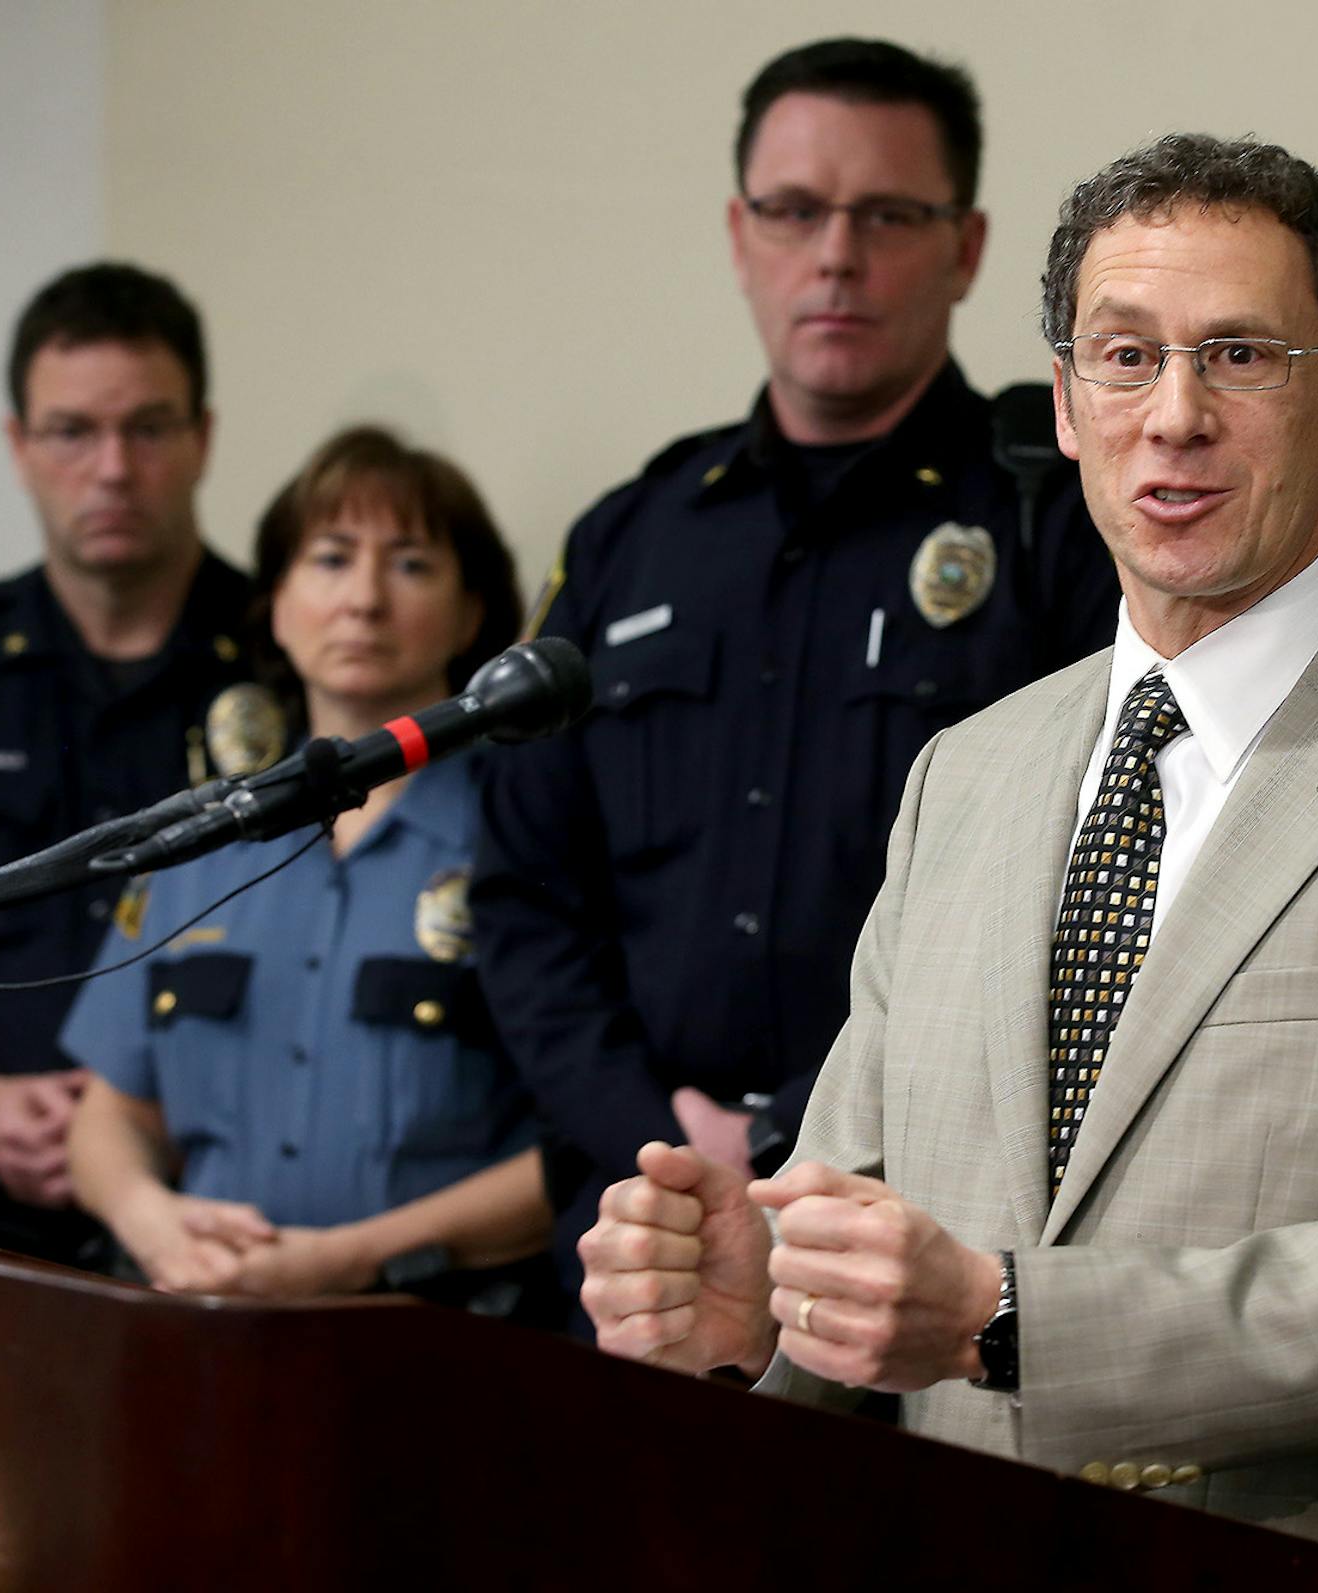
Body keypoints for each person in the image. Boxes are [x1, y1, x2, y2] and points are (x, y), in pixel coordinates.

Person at [579, 133, 1318, 1583]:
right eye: (1125, 356)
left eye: (1238, 355)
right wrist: (756, 1315)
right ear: (1065, 399)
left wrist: (1011, 1318)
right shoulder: (964, 776)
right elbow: (853, 1221)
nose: (1174, 417)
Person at [473, 37, 1120, 1326]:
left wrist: (861, 1144)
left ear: (968, 246)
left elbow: (1107, 894)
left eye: (887, 214)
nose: (836, 253)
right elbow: (526, 895)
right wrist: (655, 1131)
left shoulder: (1055, 519)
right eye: (795, 212)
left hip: (921, 1254)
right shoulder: (633, 536)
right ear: (739, 232)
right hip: (638, 1234)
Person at [60, 426, 554, 1316]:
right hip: (197, 1323)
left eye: (409, 565)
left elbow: (580, 1143)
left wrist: (354, 1258)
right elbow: (112, 1112)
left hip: (443, 1338)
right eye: (330, 560)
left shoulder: (528, 836)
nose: (363, 600)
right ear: (277, 603)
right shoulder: (197, 841)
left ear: (472, 609)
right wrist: (151, 1220)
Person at [0, 262, 262, 1267]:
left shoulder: (288, 661)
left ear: (203, 436)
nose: (112, 468)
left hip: (232, 1233)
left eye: (149, 428)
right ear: (19, 446)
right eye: (73, 431)